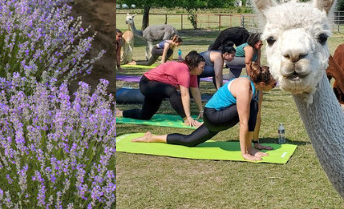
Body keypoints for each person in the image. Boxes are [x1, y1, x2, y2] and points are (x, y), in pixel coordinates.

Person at [132, 63, 277, 162]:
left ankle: (152, 137)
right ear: (263, 84)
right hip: (214, 117)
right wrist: (246, 152)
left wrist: (256, 143)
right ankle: (249, 148)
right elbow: (244, 122)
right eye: (274, 84)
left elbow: (255, 119)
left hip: (215, 117)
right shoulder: (245, 89)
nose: (275, 86)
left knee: (189, 141)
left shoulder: (252, 85)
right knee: (252, 106)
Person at [117, 51, 206, 127]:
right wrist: (188, 117)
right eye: (202, 67)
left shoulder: (192, 74)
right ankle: (185, 119)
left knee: (145, 115)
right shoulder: (183, 69)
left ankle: (120, 113)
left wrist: (201, 111)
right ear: (194, 66)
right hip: (147, 84)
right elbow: (185, 95)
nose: (204, 69)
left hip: (157, 87)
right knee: (171, 91)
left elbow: (195, 92)